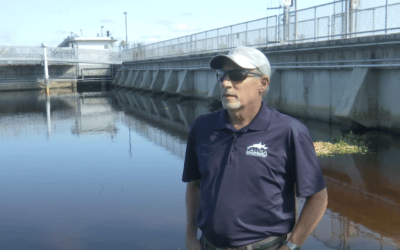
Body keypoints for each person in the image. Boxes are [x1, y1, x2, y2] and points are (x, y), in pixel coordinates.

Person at [182, 46, 328, 250]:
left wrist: (291, 246)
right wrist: (190, 236)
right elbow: (194, 185)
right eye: (221, 75)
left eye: (237, 76)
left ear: (263, 83)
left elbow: (318, 197)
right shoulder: (202, 128)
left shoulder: (290, 131)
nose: (225, 83)